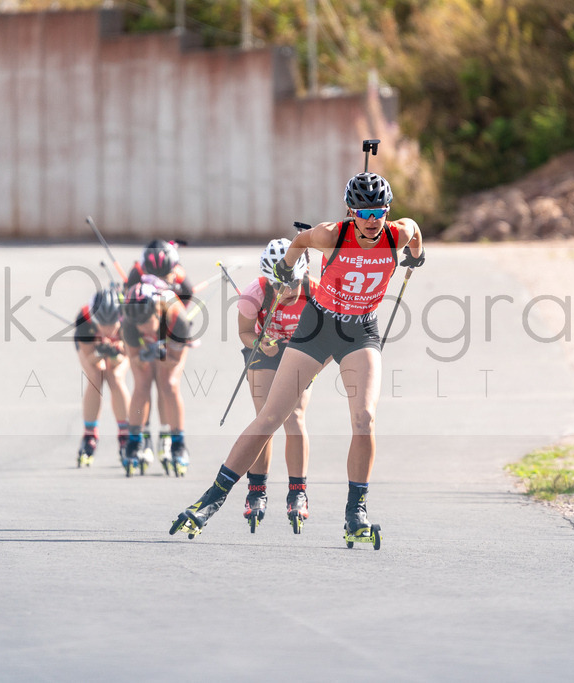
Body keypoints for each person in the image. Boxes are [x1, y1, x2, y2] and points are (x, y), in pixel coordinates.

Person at [170, 171, 425, 544]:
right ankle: (211, 499)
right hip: (318, 327)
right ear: (351, 212)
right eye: (363, 213)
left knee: (365, 418)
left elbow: (414, 231)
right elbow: (300, 240)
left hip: (360, 331)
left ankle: (356, 512)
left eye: (379, 212)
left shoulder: (396, 234)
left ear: (387, 211)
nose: (372, 221)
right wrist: (287, 266)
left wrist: (416, 255)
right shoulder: (330, 235)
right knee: (272, 416)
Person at [237, 238, 320, 532]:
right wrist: (260, 343)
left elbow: (329, 337)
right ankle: (256, 489)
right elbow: (244, 333)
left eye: (292, 283)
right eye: (277, 284)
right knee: (266, 417)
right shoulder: (254, 293)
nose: (285, 290)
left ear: (304, 273)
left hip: (302, 351)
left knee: (294, 416)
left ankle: (298, 491)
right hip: (265, 349)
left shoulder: (316, 292)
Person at [125, 239, 194, 470]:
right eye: (141, 326)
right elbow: (135, 359)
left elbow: (173, 361)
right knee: (142, 384)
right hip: (141, 331)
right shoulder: (131, 323)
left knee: (169, 384)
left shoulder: (177, 316)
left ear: (158, 312)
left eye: (148, 324)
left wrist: (163, 353)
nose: (145, 329)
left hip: (171, 335)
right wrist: (143, 355)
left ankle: (178, 443)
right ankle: (135, 440)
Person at [74, 288, 130, 467]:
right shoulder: (84, 319)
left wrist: (114, 352)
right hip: (92, 348)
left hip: (120, 350)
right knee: (95, 376)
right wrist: (100, 351)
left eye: (112, 324)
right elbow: (90, 357)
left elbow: (124, 357)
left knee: (115, 376)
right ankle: (89, 435)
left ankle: (125, 434)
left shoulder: (129, 319)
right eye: (102, 324)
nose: (107, 329)